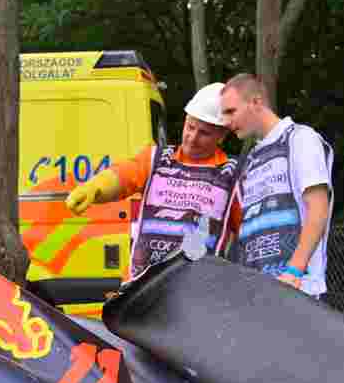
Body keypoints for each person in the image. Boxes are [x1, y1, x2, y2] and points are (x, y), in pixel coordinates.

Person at [65, 83, 240, 280]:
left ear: (222, 135)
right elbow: (124, 174)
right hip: (143, 286)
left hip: (199, 293)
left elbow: (250, 229)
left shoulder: (232, 174)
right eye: (190, 127)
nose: (192, 137)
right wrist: (95, 187)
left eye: (204, 133)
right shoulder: (156, 158)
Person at [218, 73, 334, 297]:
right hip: (259, 294)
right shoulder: (251, 160)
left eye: (231, 111)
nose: (226, 122)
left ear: (256, 102)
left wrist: (294, 271)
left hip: (297, 290)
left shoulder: (300, 138)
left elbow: (318, 208)